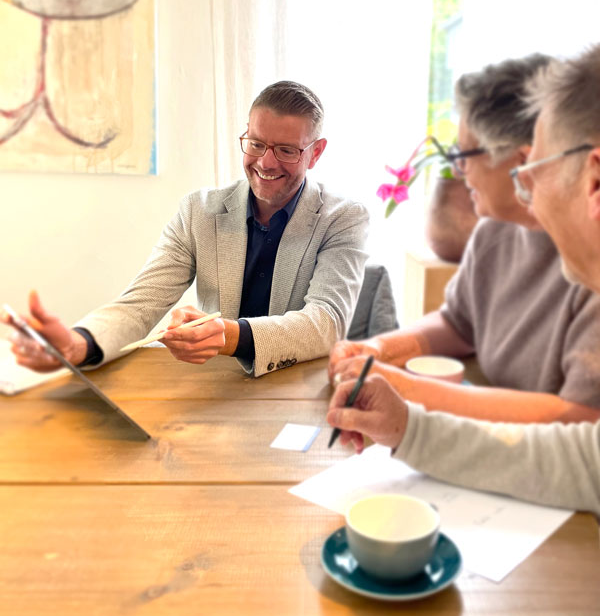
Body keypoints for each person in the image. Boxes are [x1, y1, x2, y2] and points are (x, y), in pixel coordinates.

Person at [327, 44, 600, 516]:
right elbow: (583, 461)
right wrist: (385, 364)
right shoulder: (497, 235)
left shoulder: (584, 270)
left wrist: (409, 398)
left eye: (533, 171)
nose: (527, 192)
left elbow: (578, 428)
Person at [4, 81, 369, 377]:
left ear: (315, 152)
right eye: (256, 144)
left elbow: (327, 322)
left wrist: (228, 336)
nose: (265, 162)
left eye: (286, 151)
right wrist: (77, 344)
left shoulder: (343, 218)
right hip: (212, 385)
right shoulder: (199, 211)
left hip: (298, 389)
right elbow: (140, 304)